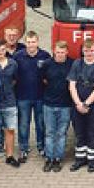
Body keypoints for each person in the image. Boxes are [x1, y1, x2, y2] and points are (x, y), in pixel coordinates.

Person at [68, 38, 94, 172]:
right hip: (78, 103)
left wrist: (86, 103)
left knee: (92, 132)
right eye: (86, 51)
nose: (88, 53)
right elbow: (72, 85)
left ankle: (92, 161)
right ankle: (80, 159)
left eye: (91, 50)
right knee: (79, 132)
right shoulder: (77, 63)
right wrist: (78, 103)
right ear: (82, 51)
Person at [0, 26, 25, 153]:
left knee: (12, 126)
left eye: (14, 35)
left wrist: (8, 87)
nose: (11, 37)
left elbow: (15, 78)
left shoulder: (20, 53)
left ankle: (14, 150)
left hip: (13, 96)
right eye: (9, 35)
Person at [13, 31, 51, 162]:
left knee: (41, 124)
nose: (31, 45)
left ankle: (42, 146)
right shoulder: (18, 56)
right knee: (23, 124)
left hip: (41, 96)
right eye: (28, 42)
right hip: (22, 96)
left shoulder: (45, 56)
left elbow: (49, 75)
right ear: (25, 43)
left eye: (33, 42)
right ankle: (23, 148)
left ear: (38, 42)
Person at [40, 40, 72, 173]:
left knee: (61, 133)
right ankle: (49, 158)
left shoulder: (72, 64)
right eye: (58, 52)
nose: (60, 55)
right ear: (54, 51)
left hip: (66, 105)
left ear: (67, 52)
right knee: (49, 133)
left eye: (62, 52)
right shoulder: (47, 64)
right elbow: (43, 80)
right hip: (49, 104)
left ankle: (58, 159)